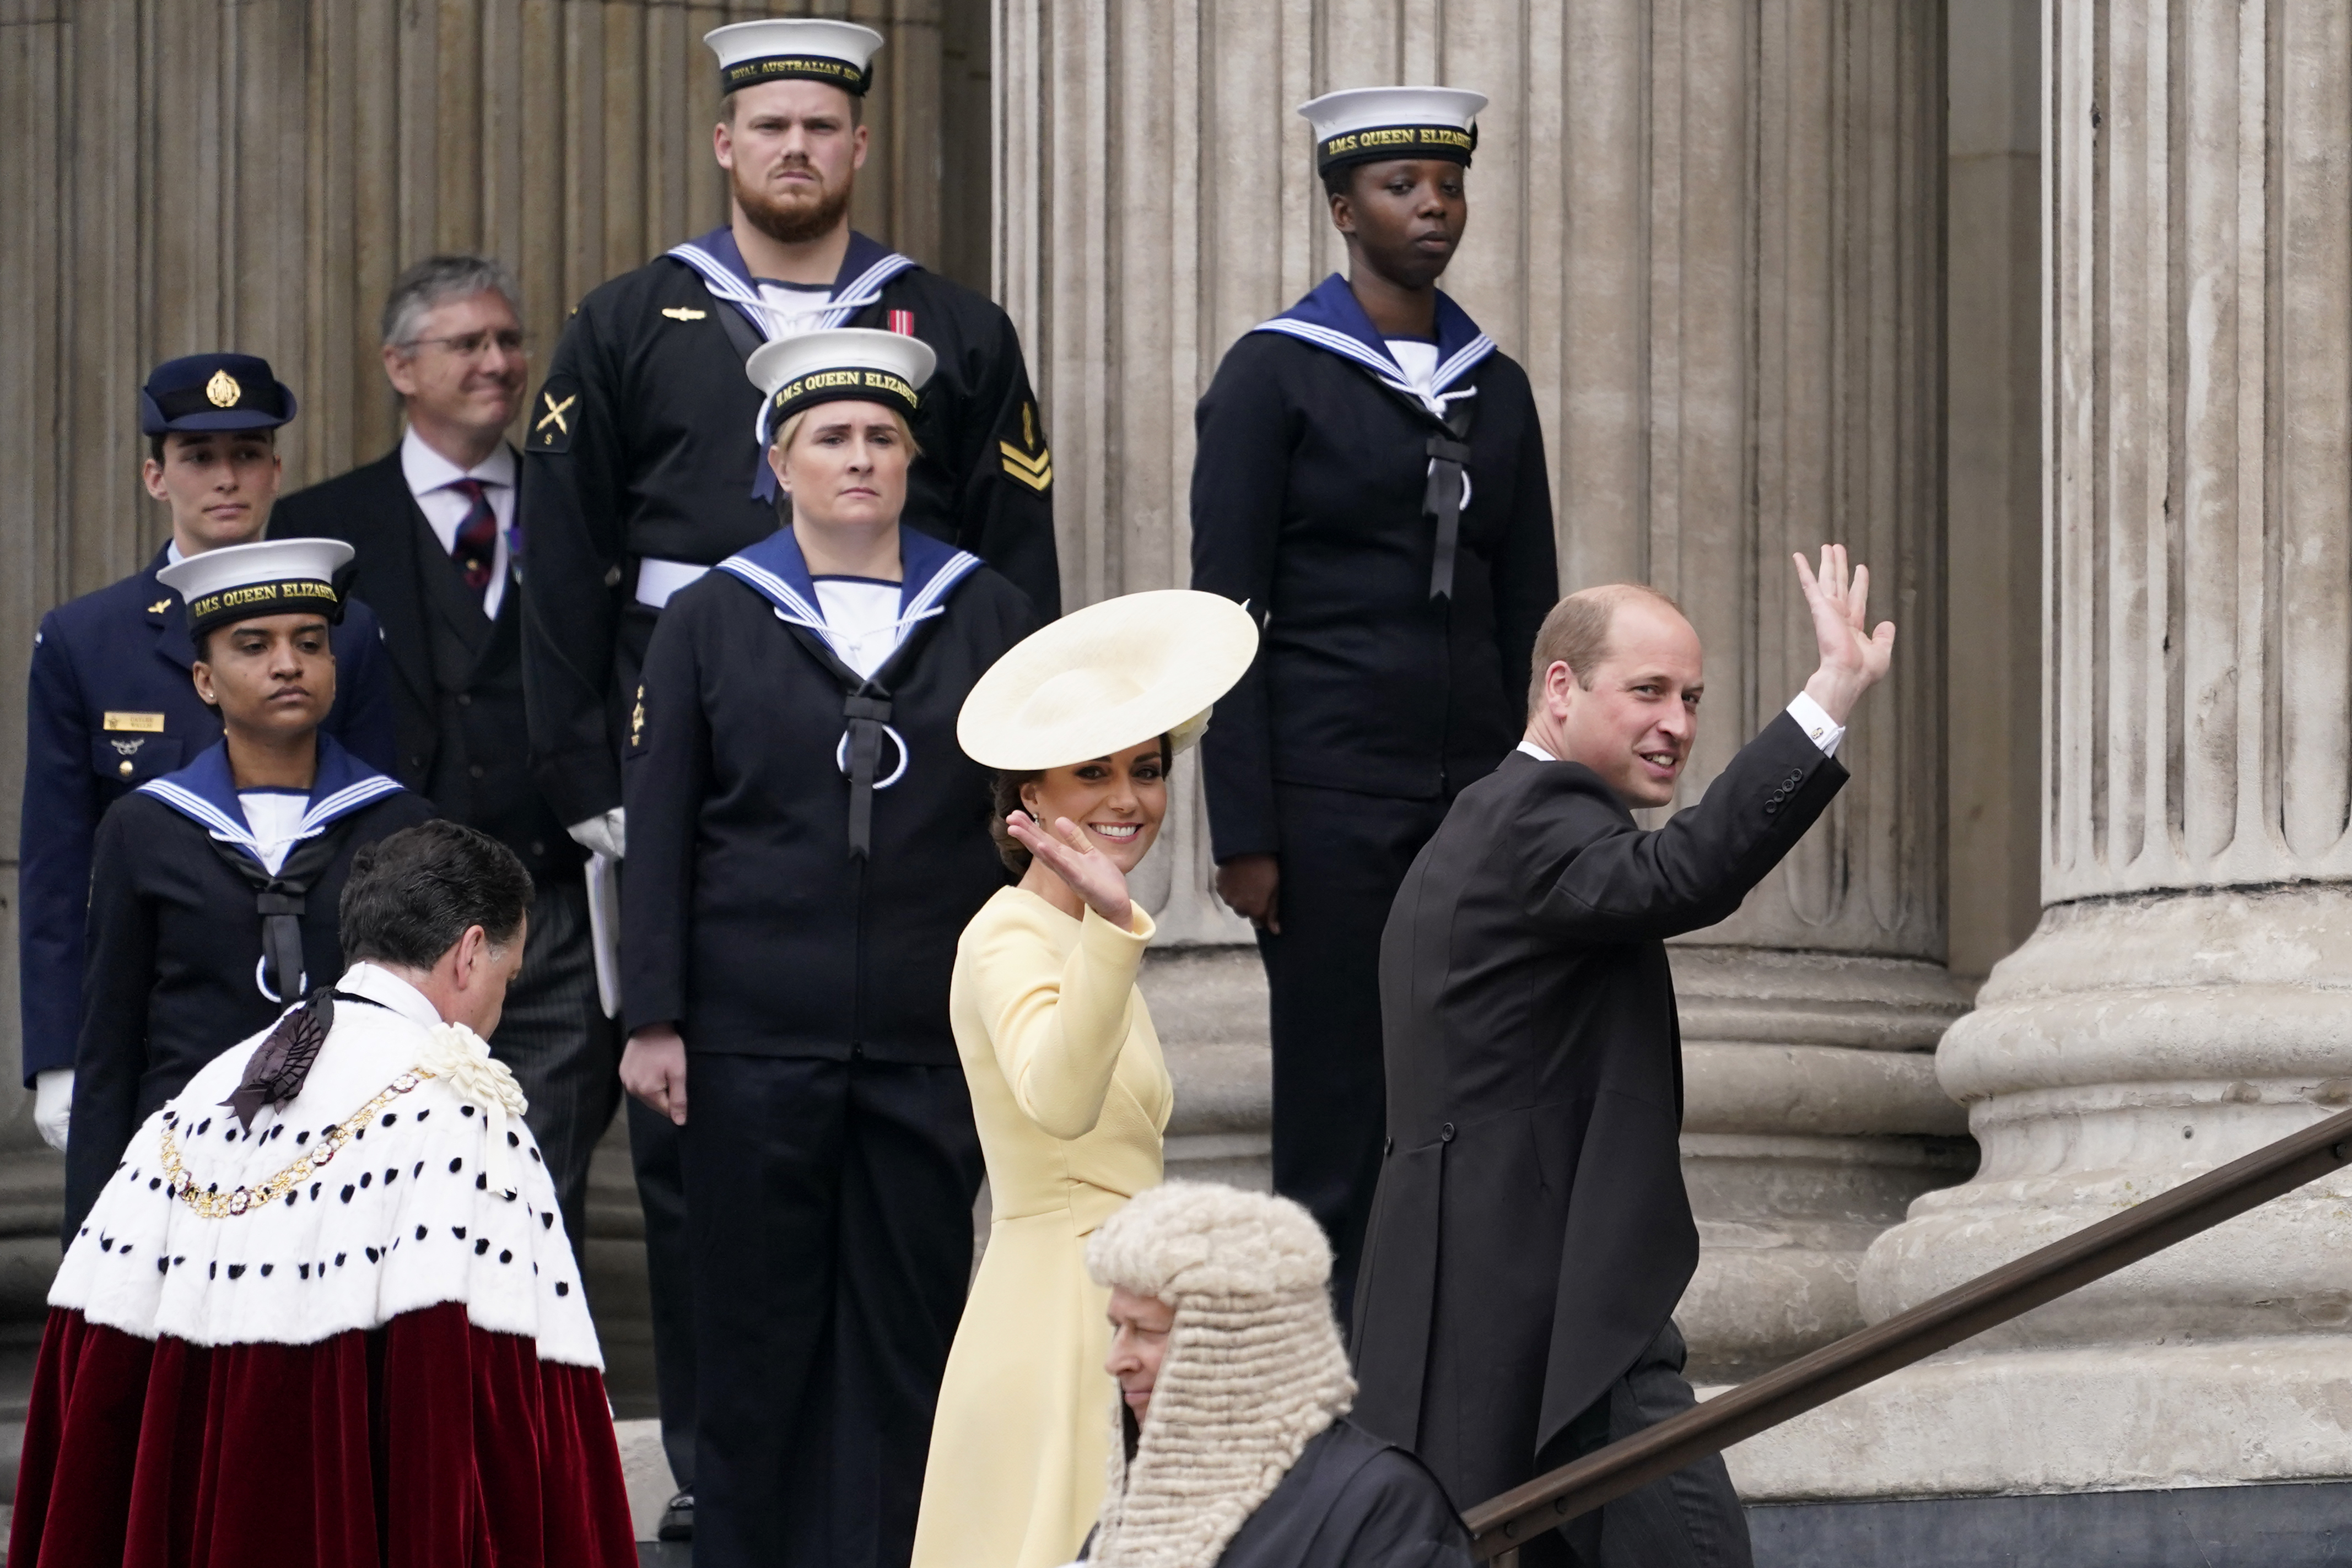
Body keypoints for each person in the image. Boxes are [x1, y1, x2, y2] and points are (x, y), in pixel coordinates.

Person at [520, 22, 1060, 1526]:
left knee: (900, 1247)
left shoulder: (952, 325)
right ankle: (723, 1481)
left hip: (910, 793)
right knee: (709, 1192)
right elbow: (563, 563)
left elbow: (1016, 557)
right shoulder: (628, 319)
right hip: (693, 762)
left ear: (859, 145)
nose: (797, 148)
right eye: (771, 125)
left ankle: (888, 1509)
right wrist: (585, 775)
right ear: (725, 143)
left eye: (822, 125)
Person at [1350, 549, 1897, 1566]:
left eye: (1692, 698)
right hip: (1560, 1309)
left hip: (1470, 1304)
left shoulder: (1480, 822)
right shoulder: (1537, 814)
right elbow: (1684, 872)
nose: (1677, 723)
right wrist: (1828, 697)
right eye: (1647, 691)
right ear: (1560, 688)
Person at [621, 326, 1039, 1567]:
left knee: (913, 1329)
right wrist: (653, 1016)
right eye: (829, 438)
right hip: (752, 1037)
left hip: (927, 1033)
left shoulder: (986, 610)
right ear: (779, 462)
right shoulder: (709, 616)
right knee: (757, 1340)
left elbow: (1023, 819)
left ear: (912, 460)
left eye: (882, 438)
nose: (859, 458)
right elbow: (661, 825)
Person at [10, 819, 638, 1567]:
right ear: (470, 953)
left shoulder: (208, 1089)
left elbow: (88, 1389)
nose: (499, 1012)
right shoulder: (461, 1106)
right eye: (508, 980)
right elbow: (497, 1417)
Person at [1190, 86, 1558, 1323]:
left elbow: (1533, 611)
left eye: (1447, 186)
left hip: (1469, 803)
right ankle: (1325, 1377)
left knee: (1470, 1094)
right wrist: (1244, 831)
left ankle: (1450, 1367)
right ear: (1343, 210)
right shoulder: (1272, 376)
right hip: (1323, 803)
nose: (1432, 207)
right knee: (1340, 1105)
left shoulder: (1496, 388)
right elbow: (1225, 612)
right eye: (1401, 188)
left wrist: (1540, 800)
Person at [271, 255, 621, 1248]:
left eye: (508, 340)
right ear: (400, 366)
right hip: (384, 917)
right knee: (375, 1189)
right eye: (467, 343)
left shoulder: (583, 508)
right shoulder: (321, 528)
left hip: (551, 913)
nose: (499, 362)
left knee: (536, 1192)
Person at [914, 590, 1259, 1568]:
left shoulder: (1083, 932)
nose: (1128, 799)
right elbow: (1059, 1104)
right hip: (1058, 1317)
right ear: (1030, 799)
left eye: (1146, 769)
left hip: (1115, 1304)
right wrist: (1112, 929)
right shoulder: (1010, 935)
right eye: (1093, 771)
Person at [19, 353, 398, 1155]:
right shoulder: (86, 639)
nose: (227, 478)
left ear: (276, 471)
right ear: (156, 477)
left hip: (318, 1020)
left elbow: (380, 839)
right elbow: (57, 866)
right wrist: (58, 1051)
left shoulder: (348, 631)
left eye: (248, 454)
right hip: (151, 1020)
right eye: (198, 457)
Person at [62, 538, 435, 1237]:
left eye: (310, 643)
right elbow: (111, 1045)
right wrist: (90, 1239)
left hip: (356, 1185)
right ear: (205, 680)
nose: (288, 663)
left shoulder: (401, 825)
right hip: (184, 1179)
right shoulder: (145, 827)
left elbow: (429, 1034)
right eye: (254, 645)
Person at [1081, 1181, 1472, 1568]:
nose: (1116, 1361)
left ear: (1240, 1343)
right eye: (1117, 1329)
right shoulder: (1143, 1506)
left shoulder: (1381, 1506)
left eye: (1146, 1331)